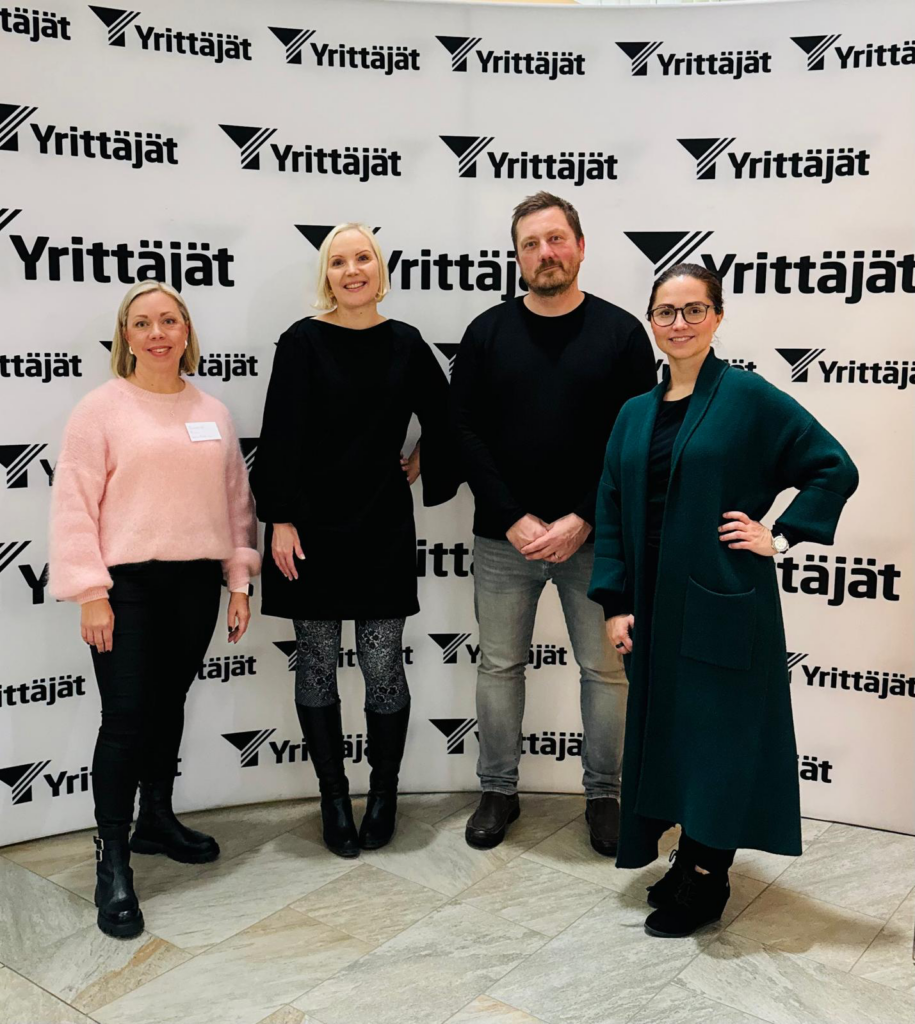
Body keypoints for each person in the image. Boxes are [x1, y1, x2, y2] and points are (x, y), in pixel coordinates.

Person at [588, 263, 858, 938]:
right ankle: (688, 857)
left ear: (717, 316)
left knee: (717, 742)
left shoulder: (747, 396)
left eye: (693, 310)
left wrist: (780, 536)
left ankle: (708, 875)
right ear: (651, 322)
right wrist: (615, 603)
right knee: (671, 739)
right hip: (651, 609)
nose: (678, 323)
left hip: (723, 601)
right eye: (665, 312)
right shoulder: (633, 412)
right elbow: (611, 508)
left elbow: (833, 467)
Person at [49, 281, 259, 939]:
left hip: (195, 584)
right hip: (126, 588)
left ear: (186, 331)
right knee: (125, 720)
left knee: (168, 707)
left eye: (169, 320)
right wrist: (91, 593)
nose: (157, 333)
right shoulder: (99, 410)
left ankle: (156, 822)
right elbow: (73, 507)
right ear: (126, 336)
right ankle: (112, 858)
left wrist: (239, 582)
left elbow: (236, 504)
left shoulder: (211, 411)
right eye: (142, 323)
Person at [450, 192, 657, 853]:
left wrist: (583, 518)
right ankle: (497, 790)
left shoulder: (622, 334)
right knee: (499, 667)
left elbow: (633, 441)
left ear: (580, 246)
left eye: (556, 239)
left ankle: (605, 796)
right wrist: (510, 516)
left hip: (595, 539)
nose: (545, 253)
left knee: (605, 672)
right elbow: (461, 431)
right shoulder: (486, 332)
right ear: (517, 257)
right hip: (503, 540)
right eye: (531, 244)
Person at [250, 222, 457, 858]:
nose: (352, 270)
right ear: (327, 276)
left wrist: (421, 460)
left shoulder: (406, 342)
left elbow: (448, 415)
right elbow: (279, 432)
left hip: (380, 523)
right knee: (315, 663)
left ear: (379, 268)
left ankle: (384, 793)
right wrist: (280, 519)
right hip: (310, 527)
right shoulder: (302, 341)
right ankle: (333, 797)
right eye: (338, 261)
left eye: (362, 257)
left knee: (382, 663)